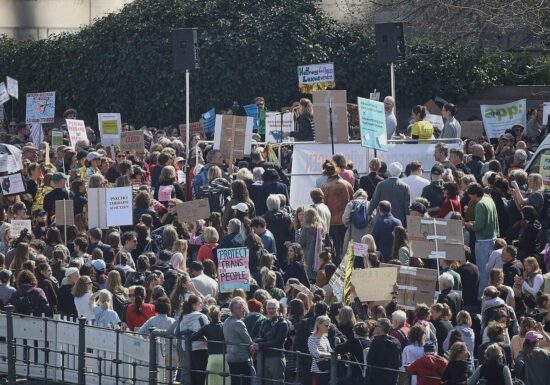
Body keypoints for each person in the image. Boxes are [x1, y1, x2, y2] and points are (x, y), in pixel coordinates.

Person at [464, 183, 499, 299]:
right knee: (489, 271)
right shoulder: (489, 199)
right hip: (492, 238)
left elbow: (479, 226)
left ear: (474, 195)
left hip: (483, 241)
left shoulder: (479, 205)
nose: (470, 198)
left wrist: (469, 224)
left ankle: (481, 297)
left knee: (483, 272)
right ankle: (489, 295)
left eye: (470, 196)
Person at [321, 161, 354, 262]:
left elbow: (324, 205)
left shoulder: (326, 187)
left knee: (335, 247)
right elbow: (352, 201)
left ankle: (337, 267)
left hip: (333, 221)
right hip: (346, 221)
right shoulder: (347, 184)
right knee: (346, 246)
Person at [251, 299, 289, 384]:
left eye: (273, 308)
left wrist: (260, 345)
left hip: (276, 357)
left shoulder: (282, 323)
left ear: (278, 309)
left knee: (277, 382)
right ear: (266, 309)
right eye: (269, 308)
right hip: (264, 356)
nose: (271, 310)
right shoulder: (265, 322)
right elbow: (260, 336)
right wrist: (255, 344)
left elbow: (278, 342)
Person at [176, 295, 209, 385]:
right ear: (194, 305)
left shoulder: (184, 317)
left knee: (192, 375)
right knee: (201, 375)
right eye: (200, 303)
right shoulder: (201, 316)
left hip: (187, 349)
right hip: (200, 348)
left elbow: (177, 332)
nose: (202, 305)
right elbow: (206, 331)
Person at [223, 297, 255, 385]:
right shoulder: (238, 322)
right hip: (242, 357)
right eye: (242, 308)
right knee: (247, 381)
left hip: (231, 356)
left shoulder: (226, 321)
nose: (244, 310)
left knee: (235, 381)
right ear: (235, 309)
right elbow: (248, 341)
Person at [190, 305, 225, 385]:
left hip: (212, 357)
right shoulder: (224, 326)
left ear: (209, 316)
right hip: (224, 357)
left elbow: (193, 337)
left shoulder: (206, 327)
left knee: (211, 381)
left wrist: (204, 337)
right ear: (219, 314)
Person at [368, 161, 410, 226]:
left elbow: (374, 201)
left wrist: (369, 213)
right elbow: (407, 207)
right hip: (400, 221)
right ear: (400, 173)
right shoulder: (405, 187)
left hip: (383, 220)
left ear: (389, 171)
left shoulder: (381, 185)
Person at [366, 318, 401, 385]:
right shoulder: (396, 342)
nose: (374, 327)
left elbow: (369, 360)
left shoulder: (376, 341)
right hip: (391, 378)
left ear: (381, 328)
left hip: (377, 379)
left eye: (376, 326)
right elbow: (399, 362)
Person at [342, 189, 370, 253]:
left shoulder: (351, 204)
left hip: (353, 232)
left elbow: (345, 218)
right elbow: (373, 218)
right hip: (366, 233)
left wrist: (348, 224)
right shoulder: (369, 204)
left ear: (355, 195)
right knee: (363, 254)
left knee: (352, 255)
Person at [308, 315, 332, 385]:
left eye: (329, 326)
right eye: (326, 326)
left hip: (328, 370)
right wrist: (331, 355)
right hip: (318, 371)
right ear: (319, 325)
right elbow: (316, 354)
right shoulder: (311, 338)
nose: (328, 328)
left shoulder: (325, 338)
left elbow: (330, 351)